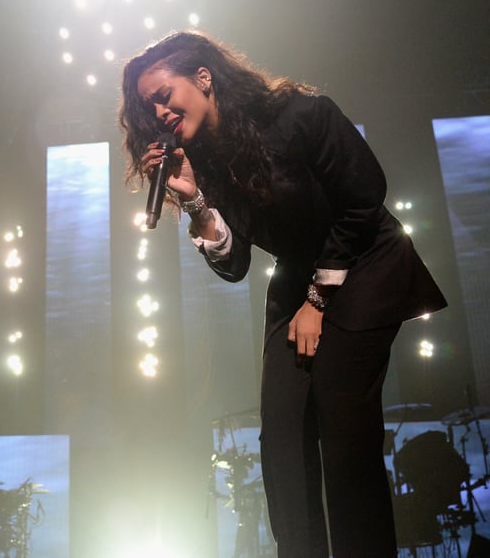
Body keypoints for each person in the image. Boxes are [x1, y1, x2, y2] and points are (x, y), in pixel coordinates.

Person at [118, 30, 447, 557]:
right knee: (283, 446)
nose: (158, 113)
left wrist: (318, 301)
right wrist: (197, 200)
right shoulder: (206, 158)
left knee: (344, 434)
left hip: (363, 261)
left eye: (163, 95)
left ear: (203, 77)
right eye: (147, 107)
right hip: (298, 275)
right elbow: (236, 265)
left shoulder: (299, 113)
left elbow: (364, 198)